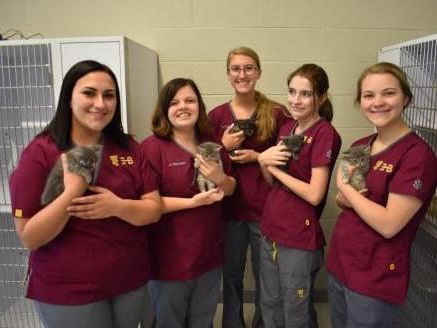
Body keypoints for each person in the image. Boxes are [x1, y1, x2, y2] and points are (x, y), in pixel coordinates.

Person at [9, 60, 161, 328]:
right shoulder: (41, 152)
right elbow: (30, 238)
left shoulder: (129, 148)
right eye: (89, 93)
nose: (100, 104)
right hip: (69, 290)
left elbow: (153, 209)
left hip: (128, 280)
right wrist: (72, 192)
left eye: (109, 95)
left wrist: (117, 206)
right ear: (69, 98)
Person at [326, 62, 437, 327]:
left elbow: (390, 224)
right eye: (369, 95)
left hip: (374, 276)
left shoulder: (417, 155)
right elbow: (349, 200)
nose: (378, 102)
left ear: (406, 98)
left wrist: (345, 191)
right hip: (342, 264)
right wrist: (343, 198)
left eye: (388, 93)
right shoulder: (360, 146)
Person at [141, 78, 236, 328]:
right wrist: (194, 202)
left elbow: (231, 187)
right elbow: (147, 205)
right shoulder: (151, 149)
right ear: (164, 109)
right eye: (174, 102)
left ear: (199, 106)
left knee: (202, 321)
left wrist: (220, 178)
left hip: (208, 254)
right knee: (169, 321)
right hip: (169, 259)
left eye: (190, 101)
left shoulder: (212, 145)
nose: (183, 107)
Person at [208, 46, 291, 328]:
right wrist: (223, 145)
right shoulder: (216, 116)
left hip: (264, 209)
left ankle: (261, 324)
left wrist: (257, 156)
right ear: (228, 74)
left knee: (265, 276)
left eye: (248, 68)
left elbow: (289, 155)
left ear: (258, 72)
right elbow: (203, 159)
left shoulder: (277, 113)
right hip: (229, 210)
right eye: (236, 69)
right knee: (231, 275)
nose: (242, 74)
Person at [257, 63, 342, 327]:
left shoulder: (324, 133)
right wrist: (264, 163)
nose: (296, 100)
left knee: (295, 310)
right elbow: (273, 182)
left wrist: (268, 164)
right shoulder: (288, 129)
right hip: (272, 228)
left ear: (322, 97)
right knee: (270, 302)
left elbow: (315, 195)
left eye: (305, 94)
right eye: (292, 91)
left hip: (298, 236)